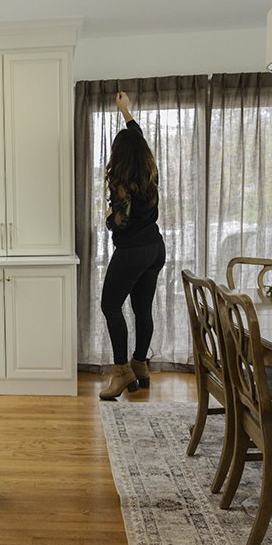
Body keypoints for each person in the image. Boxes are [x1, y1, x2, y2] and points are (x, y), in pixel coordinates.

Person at [99, 91, 166, 400]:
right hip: (155, 247)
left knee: (110, 305)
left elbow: (122, 222)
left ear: (119, 156)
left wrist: (110, 216)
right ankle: (140, 365)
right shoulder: (148, 170)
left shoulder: (122, 180)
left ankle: (121, 372)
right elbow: (136, 135)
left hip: (133, 251)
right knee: (142, 308)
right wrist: (126, 112)